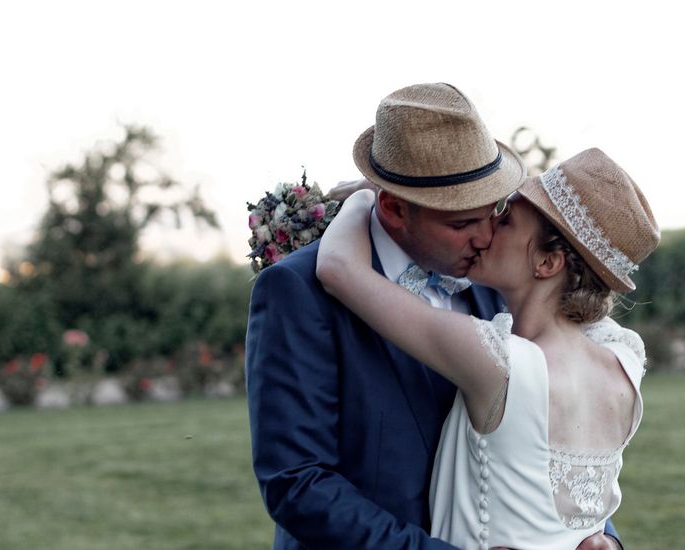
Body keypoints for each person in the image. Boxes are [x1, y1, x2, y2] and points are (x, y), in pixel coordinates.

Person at [245, 83, 624, 549]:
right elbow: (298, 484)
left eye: (496, 213)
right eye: (463, 223)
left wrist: (599, 538)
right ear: (394, 207)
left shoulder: (501, 282)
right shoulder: (298, 291)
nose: (487, 237)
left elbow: (557, 442)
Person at [316, 147, 660, 550]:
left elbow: (338, 268)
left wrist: (370, 193)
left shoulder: (497, 363)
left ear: (548, 263)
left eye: (508, 219)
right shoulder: (625, 358)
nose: (488, 226)